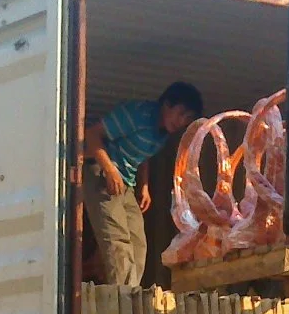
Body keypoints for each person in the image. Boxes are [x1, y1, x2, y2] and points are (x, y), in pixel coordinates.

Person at [83, 82, 204, 288]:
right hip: (100, 170)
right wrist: (110, 170)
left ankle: (132, 291)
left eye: (188, 118)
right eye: (181, 113)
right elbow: (91, 134)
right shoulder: (137, 114)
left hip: (126, 182)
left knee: (138, 242)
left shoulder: (161, 133)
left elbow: (142, 155)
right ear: (167, 104)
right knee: (117, 237)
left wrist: (144, 185)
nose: (182, 121)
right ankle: (123, 297)